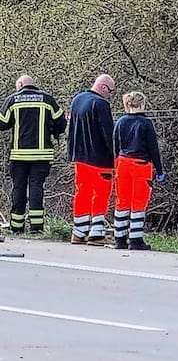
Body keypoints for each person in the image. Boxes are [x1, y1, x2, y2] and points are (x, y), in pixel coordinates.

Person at [0, 75, 66, 234]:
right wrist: (51, 130)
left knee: (18, 188)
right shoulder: (48, 100)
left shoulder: (13, 100)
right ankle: (37, 228)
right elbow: (61, 123)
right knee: (37, 188)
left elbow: (2, 124)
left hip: (19, 154)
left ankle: (17, 227)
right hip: (42, 155)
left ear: (20, 84)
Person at [112, 91, 165, 250]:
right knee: (138, 202)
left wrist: (116, 162)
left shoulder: (120, 122)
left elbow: (115, 144)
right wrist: (159, 170)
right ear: (142, 104)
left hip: (122, 163)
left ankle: (119, 238)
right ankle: (135, 239)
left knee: (122, 200)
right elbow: (153, 148)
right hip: (141, 164)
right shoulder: (146, 123)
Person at [67, 74, 116, 245]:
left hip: (79, 157)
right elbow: (109, 134)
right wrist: (116, 155)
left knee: (82, 192)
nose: (110, 95)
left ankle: (78, 231)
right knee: (101, 194)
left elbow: (71, 129)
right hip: (100, 158)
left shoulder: (77, 100)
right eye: (110, 91)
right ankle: (96, 232)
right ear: (103, 87)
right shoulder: (101, 104)